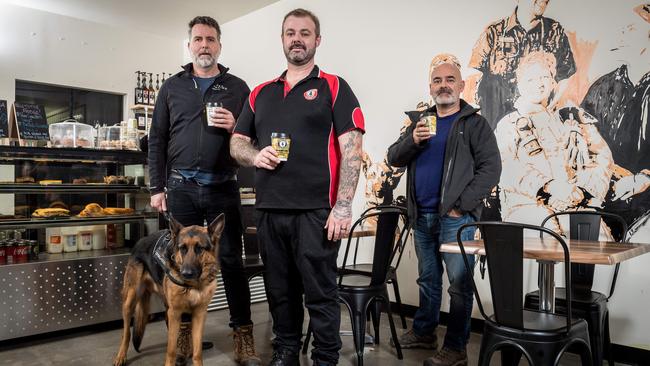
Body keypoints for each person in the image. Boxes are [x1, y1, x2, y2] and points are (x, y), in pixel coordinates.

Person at [230, 8, 364, 366]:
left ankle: (325, 357)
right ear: (282, 39)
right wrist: (256, 156)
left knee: (320, 293)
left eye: (305, 33)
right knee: (279, 291)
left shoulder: (333, 86)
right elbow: (237, 142)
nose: (297, 39)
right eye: (291, 33)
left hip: (317, 211)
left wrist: (344, 206)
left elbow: (352, 150)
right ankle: (286, 351)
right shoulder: (261, 93)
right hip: (270, 209)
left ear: (317, 40)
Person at [148, 15, 261, 366]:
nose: (204, 46)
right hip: (180, 188)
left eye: (210, 39)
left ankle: (243, 336)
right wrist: (156, 187)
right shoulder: (172, 87)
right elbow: (157, 140)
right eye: (198, 39)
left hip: (222, 189)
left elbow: (252, 142)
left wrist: (233, 129)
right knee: (179, 265)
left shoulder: (239, 88)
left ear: (219, 46)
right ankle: (182, 335)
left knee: (230, 263)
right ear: (190, 45)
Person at [387, 53, 501, 366]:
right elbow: (393, 157)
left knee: (460, 286)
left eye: (450, 79)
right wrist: (412, 139)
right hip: (421, 216)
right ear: (430, 87)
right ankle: (425, 331)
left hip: (456, 220)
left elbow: (491, 168)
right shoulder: (419, 122)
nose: (443, 85)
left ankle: (455, 348)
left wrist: (461, 207)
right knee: (428, 279)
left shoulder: (474, 124)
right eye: (437, 80)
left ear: (462, 85)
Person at [494, 51, 614, 234]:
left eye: (544, 77)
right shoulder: (509, 124)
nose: (539, 84)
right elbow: (505, 168)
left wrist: (583, 190)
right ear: (519, 85)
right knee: (546, 249)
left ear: (552, 81)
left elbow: (602, 157)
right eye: (531, 79)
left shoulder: (573, 118)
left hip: (577, 204)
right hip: (528, 208)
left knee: (596, 245)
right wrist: (549, 187)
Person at [469, 0, 575, 129]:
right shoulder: (495, 32)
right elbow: (474, 75)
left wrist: (549, 109)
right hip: (497, 119)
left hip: (538, 118)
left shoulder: (554, 31)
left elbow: (566, 74)